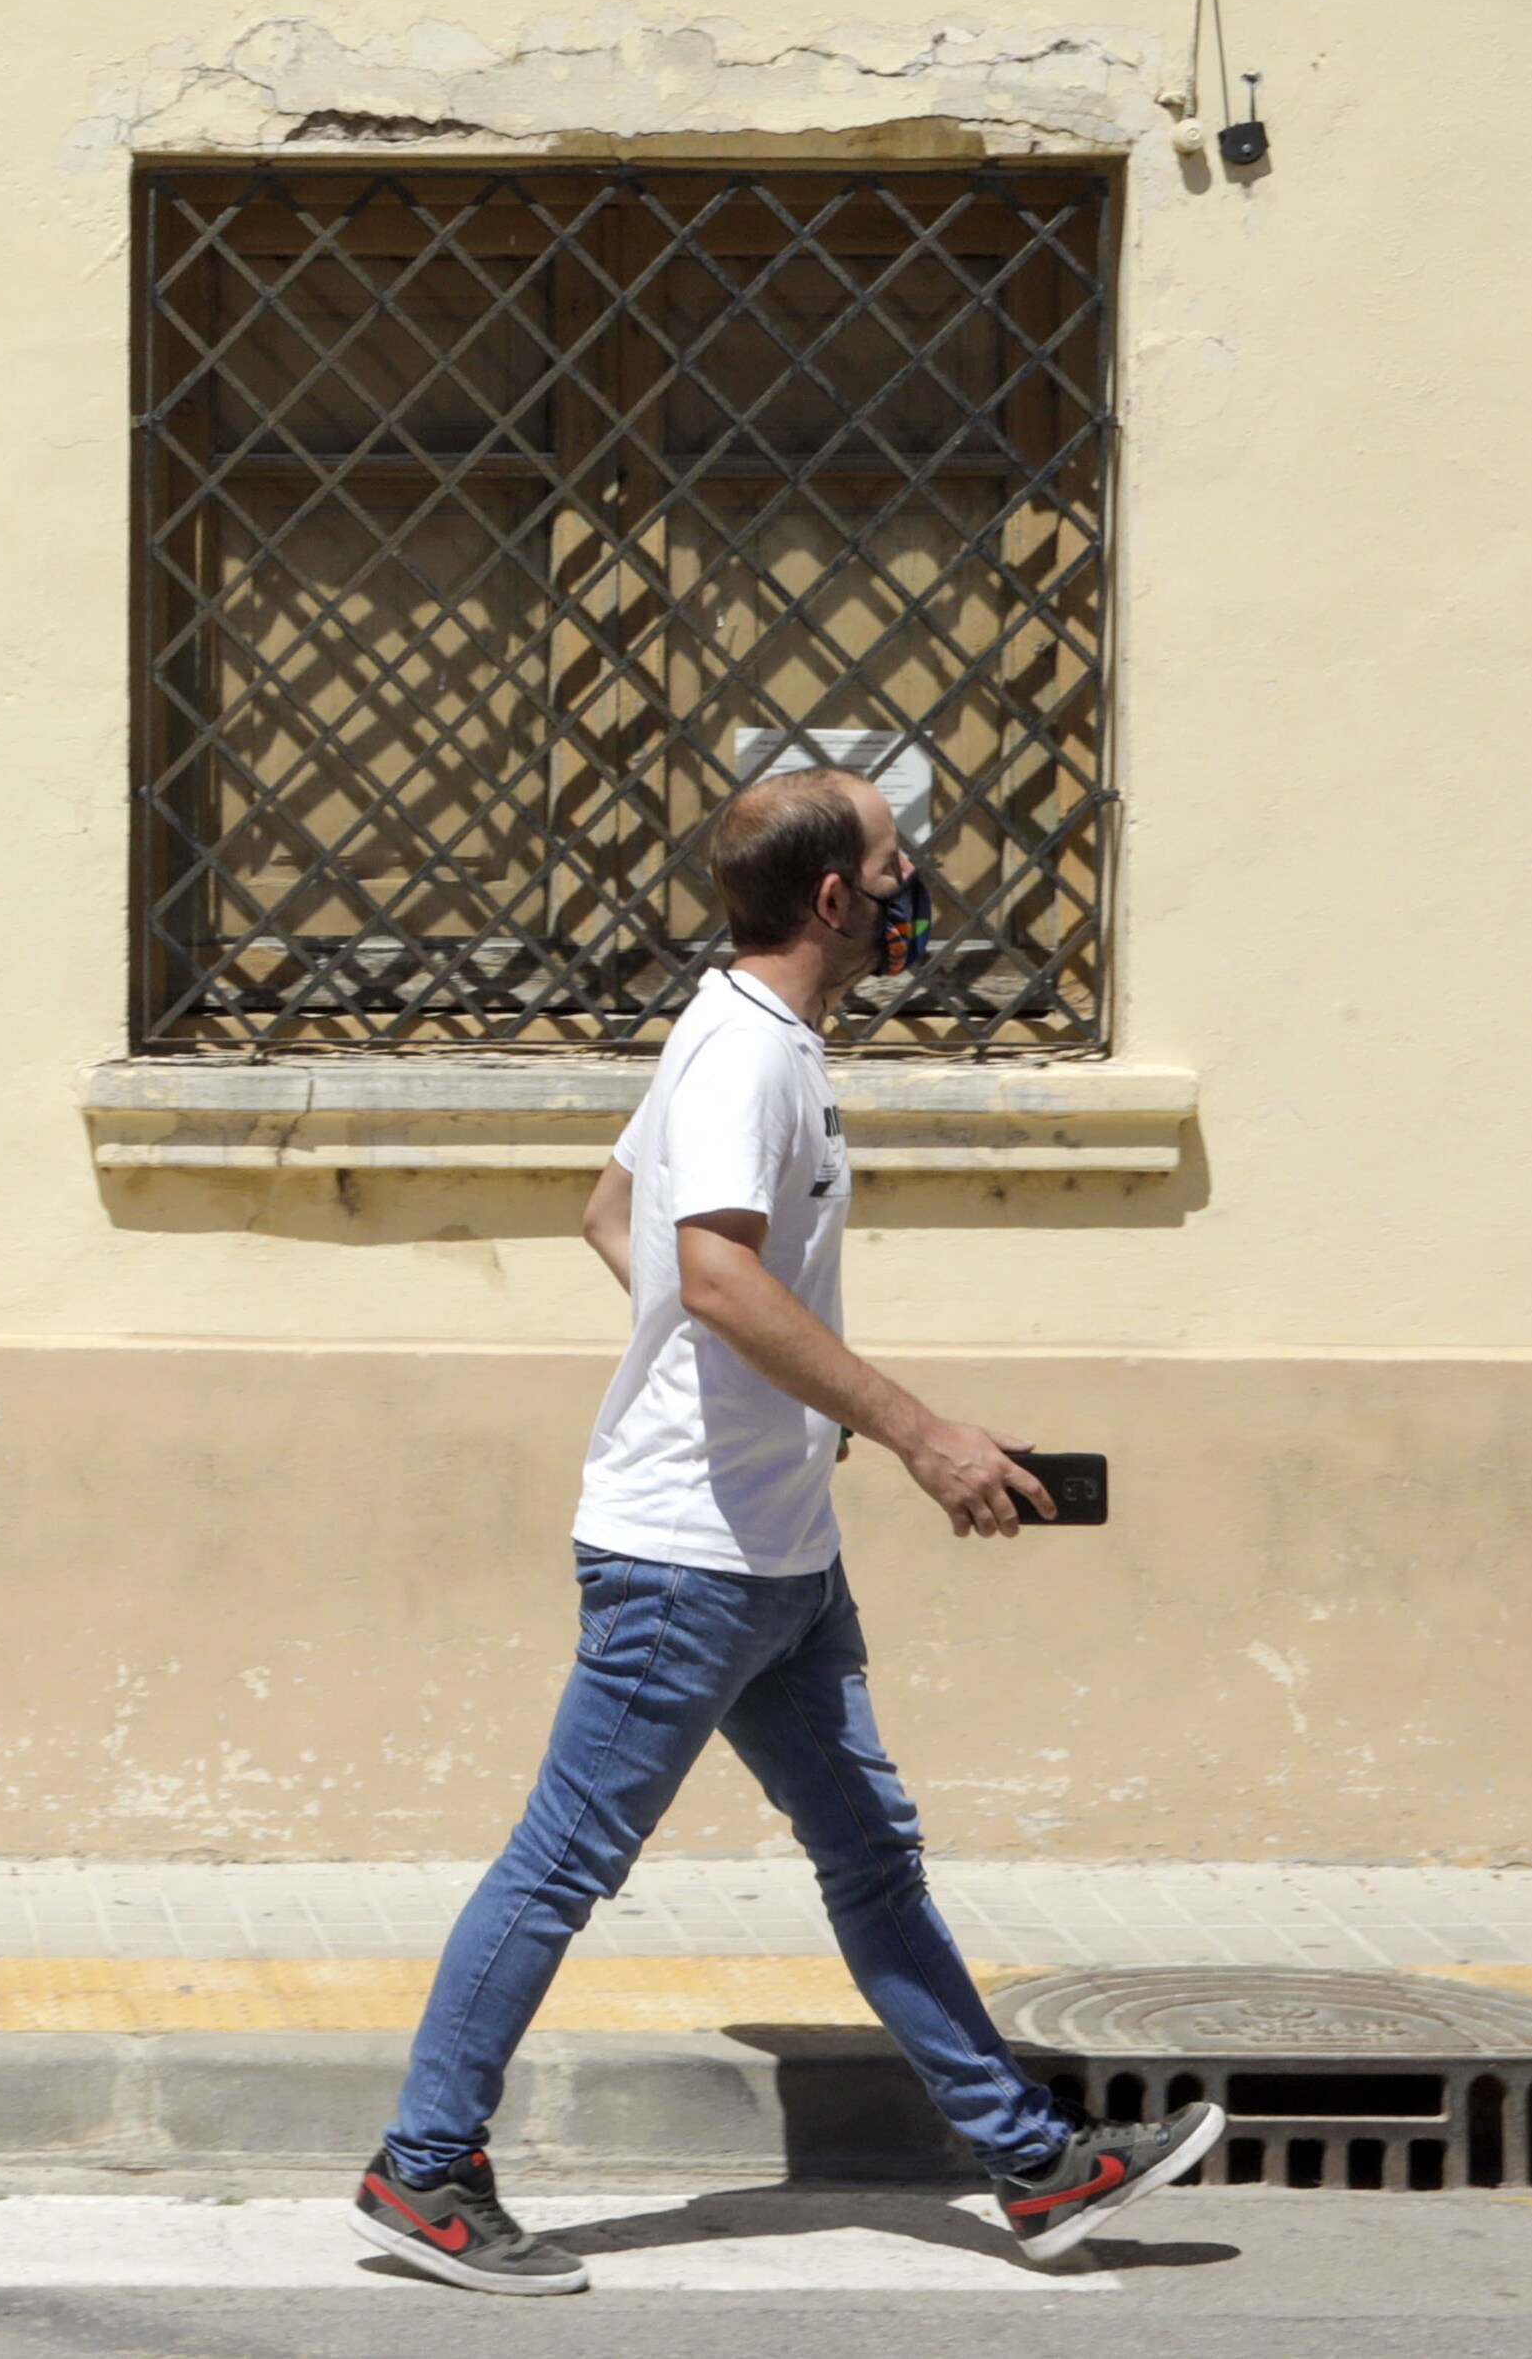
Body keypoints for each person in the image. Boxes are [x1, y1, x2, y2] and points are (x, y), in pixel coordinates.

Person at [346, 767, 1221, 2292]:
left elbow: (613, 1215)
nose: (911, 888)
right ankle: (422, 2169)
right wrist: (915, 1431)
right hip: (685, 1557)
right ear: (834, 896)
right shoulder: (747, 1055)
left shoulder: (739, 1036)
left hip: (776, 1554)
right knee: (563, 1864)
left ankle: (1030, 2162)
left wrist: (764, 1403)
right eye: (896, 864)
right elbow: (715, 1271)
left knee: (871, 1855)